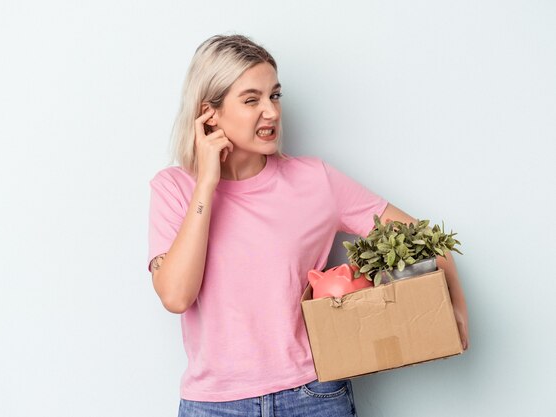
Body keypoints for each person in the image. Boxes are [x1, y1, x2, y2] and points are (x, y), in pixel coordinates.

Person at [147, 34, 469, 417]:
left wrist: (457, 313)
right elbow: (176, 297)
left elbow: (428, 243)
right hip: (213, 405)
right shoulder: (174, 189)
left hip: (313, 397)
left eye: (275, 96)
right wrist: (206, 184)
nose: (271, 112)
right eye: (252, 100)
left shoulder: (315, 181)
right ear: (209, 114)